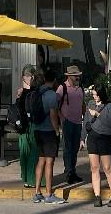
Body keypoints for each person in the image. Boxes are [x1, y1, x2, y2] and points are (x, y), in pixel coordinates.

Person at [31, 68, 63, 204]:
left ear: (44, 79)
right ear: (54, 80)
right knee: (49, 162)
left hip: (37, 130)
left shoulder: (37, 92)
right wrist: (57, 130)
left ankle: (37, 192)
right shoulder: (52, 95)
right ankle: (49, 194)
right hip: (48, 131)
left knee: (41, 160)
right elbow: (53, 115)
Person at [85, 84, 111, 207]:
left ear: (101, 95)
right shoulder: (90, 104)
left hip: (104, 138)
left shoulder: (109, 106)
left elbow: (110, 123)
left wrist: (97, 114)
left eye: (97, 95)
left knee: (107, 168)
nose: (95, 97)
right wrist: (82, 138)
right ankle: (97, 196)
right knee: (94, 167)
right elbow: (86, 121)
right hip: (92, 138)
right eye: (93, 95)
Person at [57, 65, 85, 184]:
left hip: (78, 122)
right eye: (75, 75)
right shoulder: (62, 88)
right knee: (68, 148)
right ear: (69, 76)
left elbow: (82, 104)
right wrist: (62, 119)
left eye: (78, 75)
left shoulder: (80, 88)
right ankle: (68, 172)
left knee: (74, 149)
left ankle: (72, 171)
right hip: (67, 122)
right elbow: (55, 105)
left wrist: (84, 117)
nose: (77, 77)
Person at [15, 66, 39, 189]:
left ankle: (28, 178)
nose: (30, 78)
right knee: (31, 153)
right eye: (29, 76)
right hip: (28, 126)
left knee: (27, 153)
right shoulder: (32, 92)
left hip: (25, 126)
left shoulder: (24, 92)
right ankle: (29, 179)